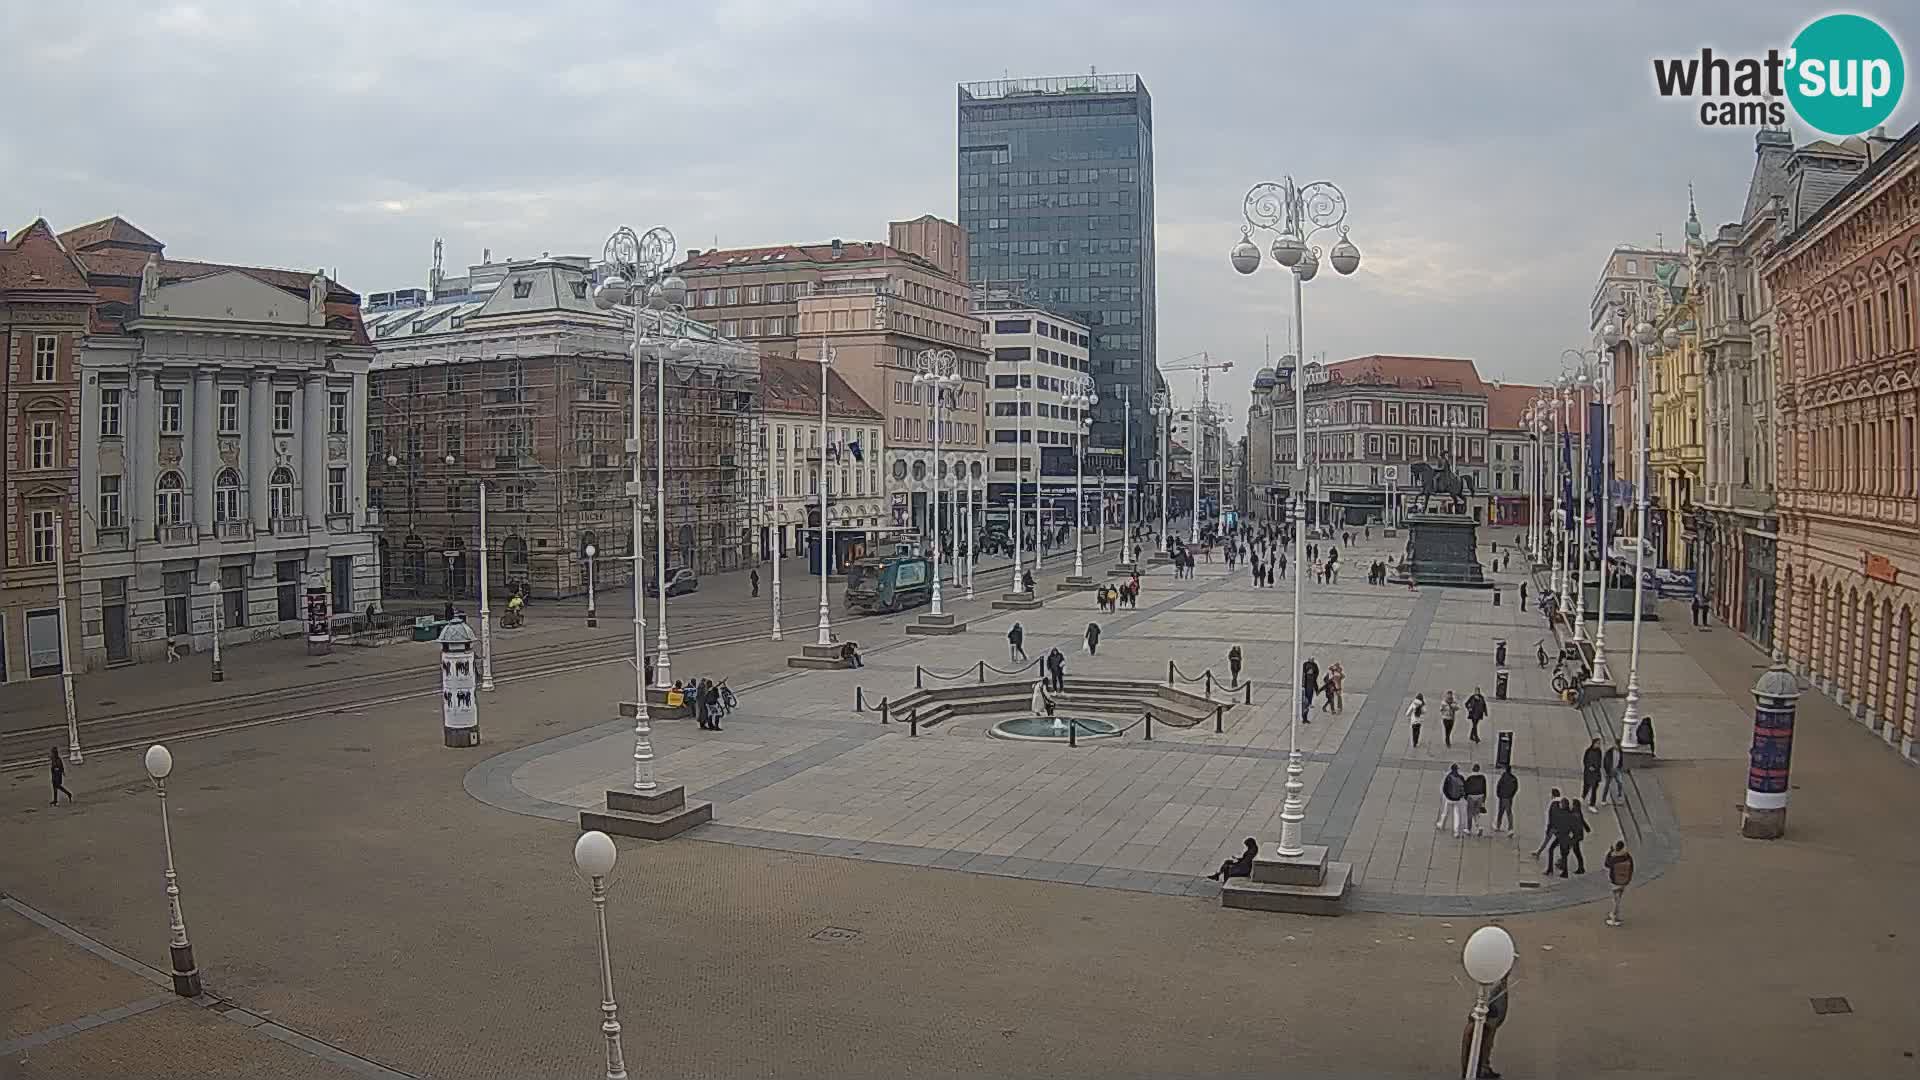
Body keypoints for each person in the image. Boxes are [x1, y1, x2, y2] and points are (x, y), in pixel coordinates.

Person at [1604, 839, 1634, 926]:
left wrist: (1609, 853)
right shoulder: (1627, 856)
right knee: (1618, 898)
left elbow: (1606, 864)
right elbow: (1632, 867)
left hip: (1615, 881)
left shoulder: (1614, 858)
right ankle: (1615, 915)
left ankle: (1614, 916)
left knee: (1615, 900)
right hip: (1625, 881)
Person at [1535, 788, 1566, 863]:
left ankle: (1539, 852)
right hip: (1562, 827)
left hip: (1553, 826)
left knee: (1547, 840)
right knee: (1562, 844)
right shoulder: (1563, 802)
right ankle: (1538, 851)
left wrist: (1548, 827)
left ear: (1553, 795)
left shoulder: (1553, 803)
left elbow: (1550, 816)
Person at [1437, 764, 1467, 837]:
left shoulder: (1448, 777)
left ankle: (1441, 824)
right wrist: (1461, 796)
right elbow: (1465, 788)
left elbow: (1444, 788)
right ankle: (1456, 832)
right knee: (1456, 814)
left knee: (1445, 812)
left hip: (1449, 799)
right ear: (1457, 769)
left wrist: (1447, 796)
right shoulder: (1461, 777)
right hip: (1457, 799)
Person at [1562, 798, 1590, 875]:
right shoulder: (1577, 812)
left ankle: (1580, 868)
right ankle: (1581, 867)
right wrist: (1587, 828)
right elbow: (1583, 821)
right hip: (1577, 836)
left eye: (1573, 804)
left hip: (1576, 836)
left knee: (1573, 851)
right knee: (1575, 851)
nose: (1572, 805)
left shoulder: (1576, 814)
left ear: (1576, 806)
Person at [1462, 764, 1489, 835]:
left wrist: (1466, 797)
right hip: (1480, 796)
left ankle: (1469, 829)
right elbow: (1485, 788)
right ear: (1479, 769)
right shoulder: (1483, 777)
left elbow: (1466, 788)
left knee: (1470, 813)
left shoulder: (1469, 777)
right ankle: (1478, 826)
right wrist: (1484, 799)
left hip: (1471, 796)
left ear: (1473, 769)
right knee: (1476, 813)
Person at [1494, 764, 1519, 833]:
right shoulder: (1514, 778)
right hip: (1509, 798)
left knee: (1500, 812)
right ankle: (1510, 828)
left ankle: (1498, 826)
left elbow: (1498, 786)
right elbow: (1516, 788)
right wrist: (1511, 795)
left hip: (1502, 797)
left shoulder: (1503, 777)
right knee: (1509, 812)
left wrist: (1498, 794)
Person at [1581, 737, 1604, 806]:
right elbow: (1585, 760)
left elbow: (1599, 762)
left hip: (1595, 774)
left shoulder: (1599, 751)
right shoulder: (1588, 751)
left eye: (1599, 744)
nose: (1599, 745)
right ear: (1594, 743)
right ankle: (1583, 796)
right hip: (1588, 773)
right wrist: (1589, 767)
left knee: (1594, 789)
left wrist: (1596, 767)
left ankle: (1592, 804)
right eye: (1597, 743)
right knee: (1586, 786)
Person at [1300, 658, 1320, 724]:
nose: (1310, 671)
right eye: (1309, 670)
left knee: (1307, 706)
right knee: (1305, 705)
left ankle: (1305, 719)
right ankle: (1304, 718)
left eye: (1312, 670)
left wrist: (1317, 691)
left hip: (1310, 692)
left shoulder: (1313, 677)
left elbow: (1315, 684)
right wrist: (1303, 687)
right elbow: (1303, 680)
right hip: (1305, 692)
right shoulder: (1306, 677)